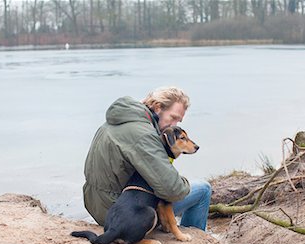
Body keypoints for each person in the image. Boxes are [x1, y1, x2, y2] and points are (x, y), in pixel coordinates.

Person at [83, 86, 212, 231]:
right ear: (157, 107)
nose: (174, 125)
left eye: (179, 121)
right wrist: (181, 181)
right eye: (173, 117)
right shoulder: (144, 135)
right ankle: (193, 238)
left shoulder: (122, 119)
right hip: (122, 214)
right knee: (203, 189)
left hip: (97, 203)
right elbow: (173, 190)